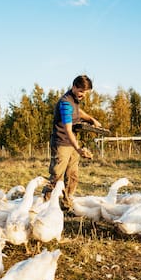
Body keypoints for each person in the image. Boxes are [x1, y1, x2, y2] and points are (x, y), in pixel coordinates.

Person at [43, 74, 102, 209]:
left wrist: (91, 119)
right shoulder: (65, 102)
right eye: (81, 91)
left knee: (72, 175)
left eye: (86, 92)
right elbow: (68, 130)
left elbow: (78, 112)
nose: (83, 95)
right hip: (61, 144)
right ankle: (45, 204)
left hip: (71, 142)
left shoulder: (74, 100)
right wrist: (79, 149)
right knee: (56, 176)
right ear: (74, 87)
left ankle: (66, 204)